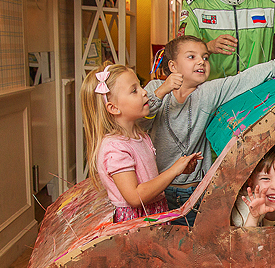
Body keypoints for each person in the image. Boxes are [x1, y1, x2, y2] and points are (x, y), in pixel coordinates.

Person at [143, 35, 275, 226]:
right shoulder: (155, 88)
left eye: (205, 57)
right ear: (172, 66)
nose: (201, 62)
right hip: (159, 190)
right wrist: (162, 92)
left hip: (196, 191)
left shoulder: (209, 92)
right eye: (191, 56)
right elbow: (138, 122)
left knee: (199, 241)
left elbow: (245, 79)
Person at [81, 63, 202, 223]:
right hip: (137, 223)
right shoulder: (115, 147)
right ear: (114, 108)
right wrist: (173, 171)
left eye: (140, 86)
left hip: (154, 214)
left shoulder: (140, 136)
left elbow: (147, 180)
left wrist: (179, 171)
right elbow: (135, 197)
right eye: (134, 90)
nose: (144, 92)